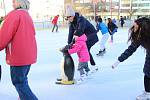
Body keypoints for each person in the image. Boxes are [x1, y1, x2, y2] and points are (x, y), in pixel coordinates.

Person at [0, 0, 38, 99]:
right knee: (22, 80)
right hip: (29, 55)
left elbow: (4, 36)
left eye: (14, 1)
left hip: (18, 56)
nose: (12, 3)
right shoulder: (27, 15)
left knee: (19, 82)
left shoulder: (14, 15)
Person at [112, 17, 150, 100]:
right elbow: (131, 49)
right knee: (147, 73)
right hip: (149, 56)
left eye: (136, 27)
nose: (134, 28)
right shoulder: (139, 36)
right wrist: (119, 60)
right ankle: (147, 92)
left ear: (143, 28)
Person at [65, 5, 99, 72]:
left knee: (85, 50)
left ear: (73, 15)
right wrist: (69, 44)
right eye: (67, 18)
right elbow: (70, 34)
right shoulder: (71, 24)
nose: (68, 19)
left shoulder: (81, 19)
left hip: (91, 36)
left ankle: (93, 66)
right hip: (84, 37)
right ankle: (87, 67)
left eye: (69, 17)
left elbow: (80, 30)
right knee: (83, 50)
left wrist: (72, 43)